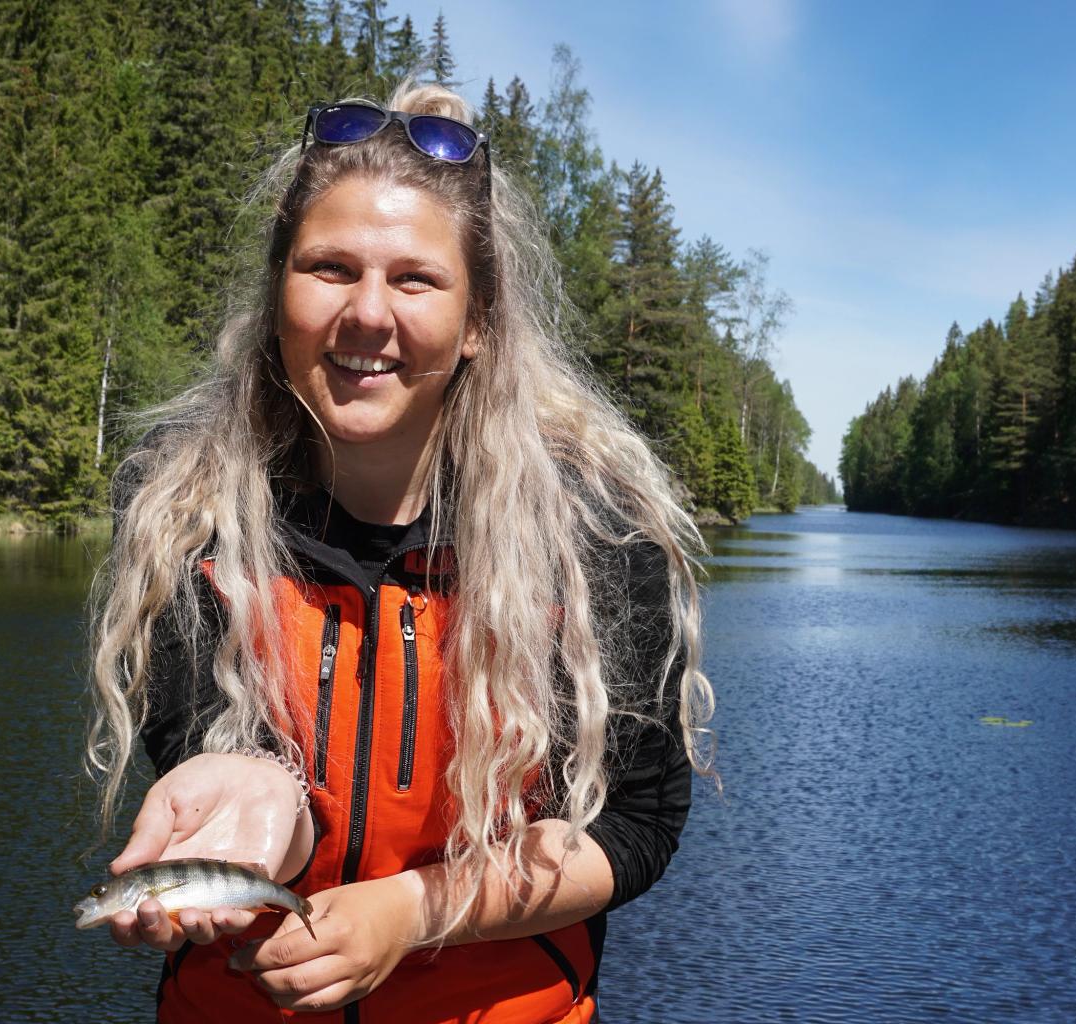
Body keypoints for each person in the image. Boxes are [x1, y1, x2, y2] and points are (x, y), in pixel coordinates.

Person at [85, 82, 713, 1023]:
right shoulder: (185, 511)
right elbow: (235, 776)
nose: (367, 314)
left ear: (479, 323)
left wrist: (411, 912)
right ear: (278, 291)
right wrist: (260, 799)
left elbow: (636, 826)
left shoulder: (598, 532)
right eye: (329, 268)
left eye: (415, 279)